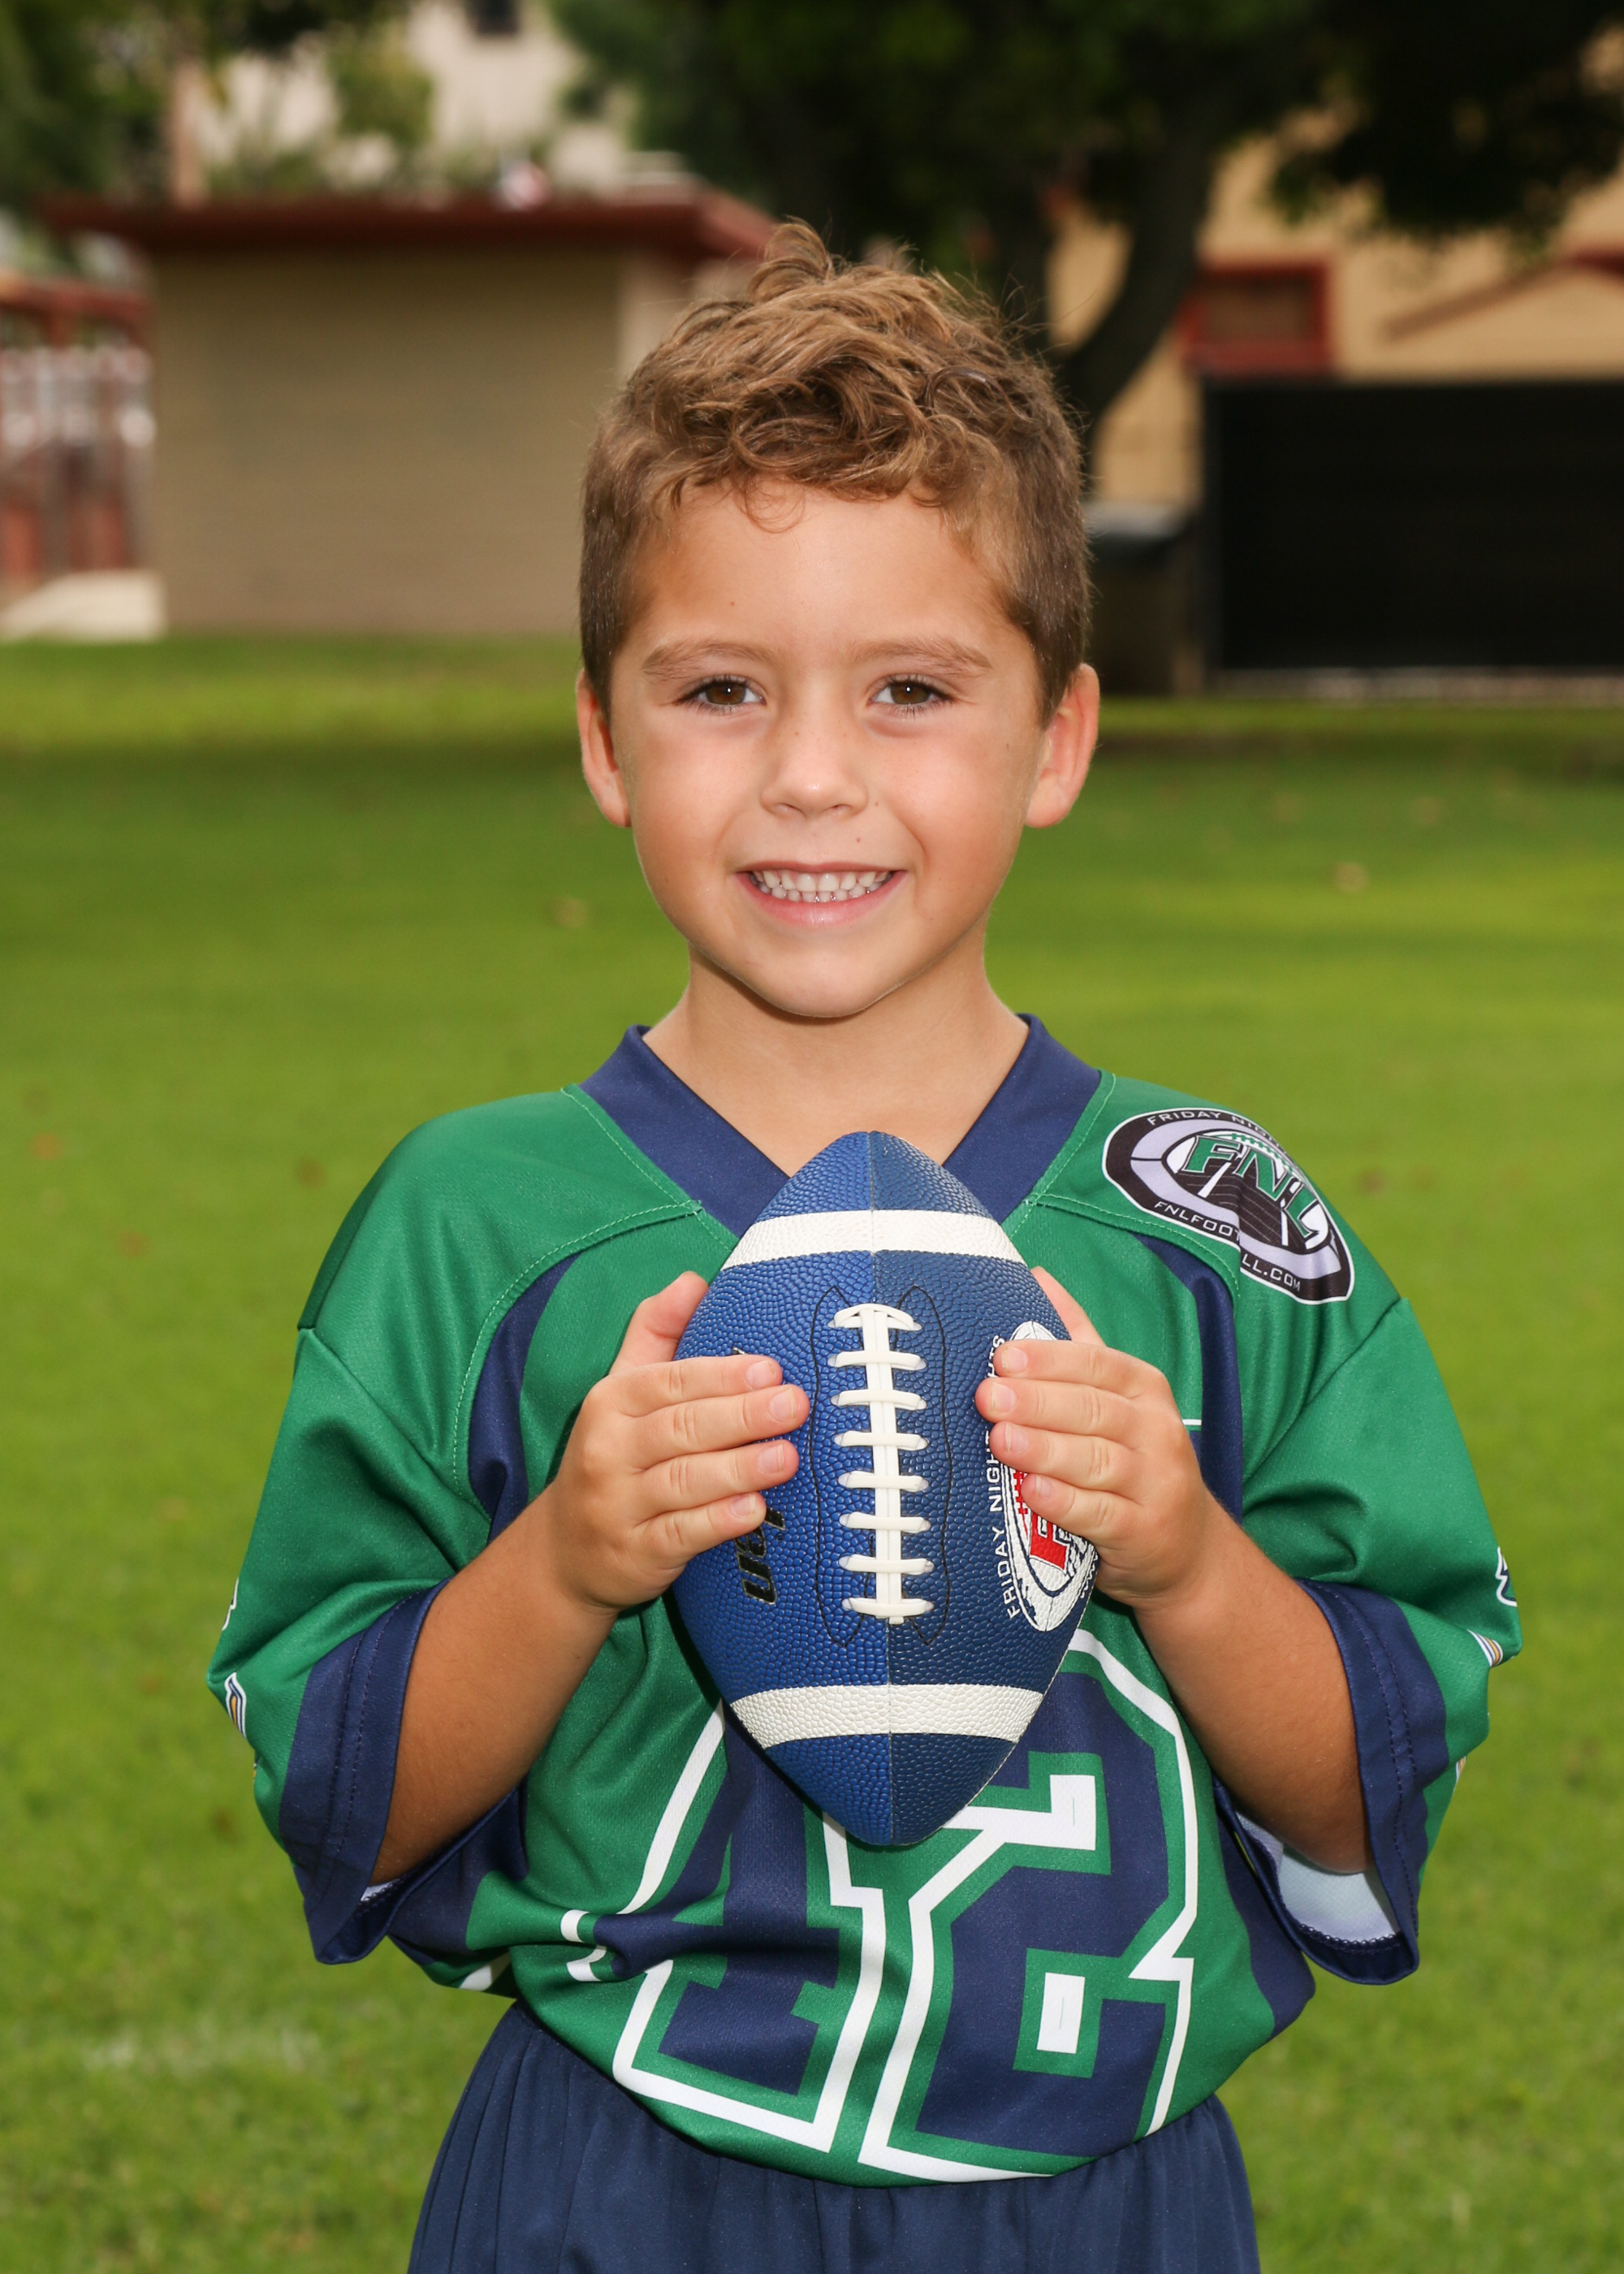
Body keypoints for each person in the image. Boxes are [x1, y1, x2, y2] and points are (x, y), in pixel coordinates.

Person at [208, 227, 1520, 2274]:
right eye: (719, 689)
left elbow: (1366, 1800)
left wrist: (1185, 1552)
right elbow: (345, 1796)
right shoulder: (474, 1220)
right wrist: (565, 1557)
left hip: (1108, 2200)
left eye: (910, 689)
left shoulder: (1213, 1217)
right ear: (603, 736)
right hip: (618, 2181)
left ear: (1057, 736)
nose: (811, 773)